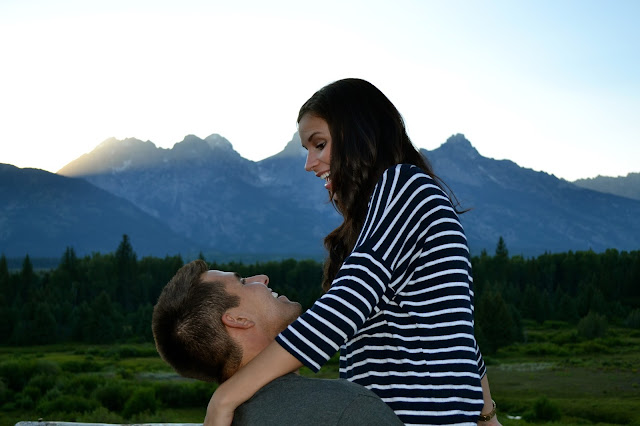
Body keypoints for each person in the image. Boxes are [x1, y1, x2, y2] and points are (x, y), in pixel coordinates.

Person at [205, 78, 500, 426]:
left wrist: (226, 397)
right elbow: (453, 322)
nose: (309, 163)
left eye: (319, 144)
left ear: (358, 133)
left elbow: (348, 300)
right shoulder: (392, 206)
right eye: (307, 149)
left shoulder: (404, 186)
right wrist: (487, 416)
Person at [152, 259, 403, 425]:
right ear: (238, 319)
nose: (262, 278)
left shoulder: (226, 419)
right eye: (243, 282)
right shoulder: (347, 409)